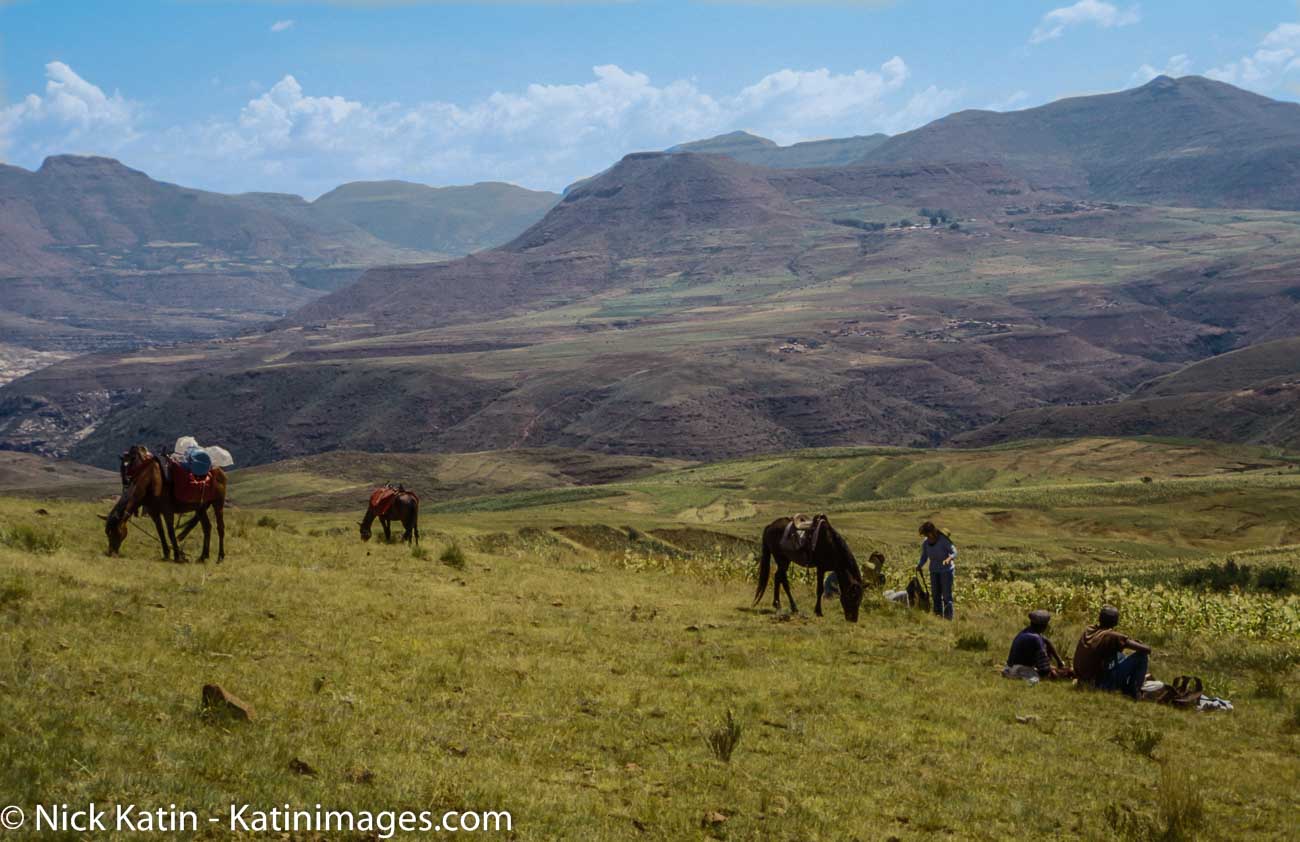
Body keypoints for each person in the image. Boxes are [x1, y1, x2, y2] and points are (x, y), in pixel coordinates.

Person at [1073, 605, 1151, 699]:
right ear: (1115, 622)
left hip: (1084, 680)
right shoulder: (1111, 635)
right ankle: (1133, 691)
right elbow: (1147, 649)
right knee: (1141, 657)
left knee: (1119, 655)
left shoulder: (1089, 630)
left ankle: (1126, 685)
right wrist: (1138, 644)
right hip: (1100, 684)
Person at [1005, 609, 1070, 679]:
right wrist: (1056, 671)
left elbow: (1047, 641)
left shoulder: (1027, 632)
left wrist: (1059, 662)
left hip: (1009, 668)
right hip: (1019, 671)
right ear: (1044, 626)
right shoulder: (1036, 639)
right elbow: (1044, 670)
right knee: (1050, 675)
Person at [915, 521, 956, 619]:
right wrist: (919, 565)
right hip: (934, 571)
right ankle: (938, 616)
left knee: (946, 596)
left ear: (932, 531)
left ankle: (948, 618)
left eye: (927, 534)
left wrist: (949, 558)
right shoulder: (926, 543)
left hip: (946, 571)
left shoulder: (943, 540)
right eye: (925, 535)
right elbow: (924, 557)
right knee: (935, 595)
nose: (927, 537)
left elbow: (954, 551)